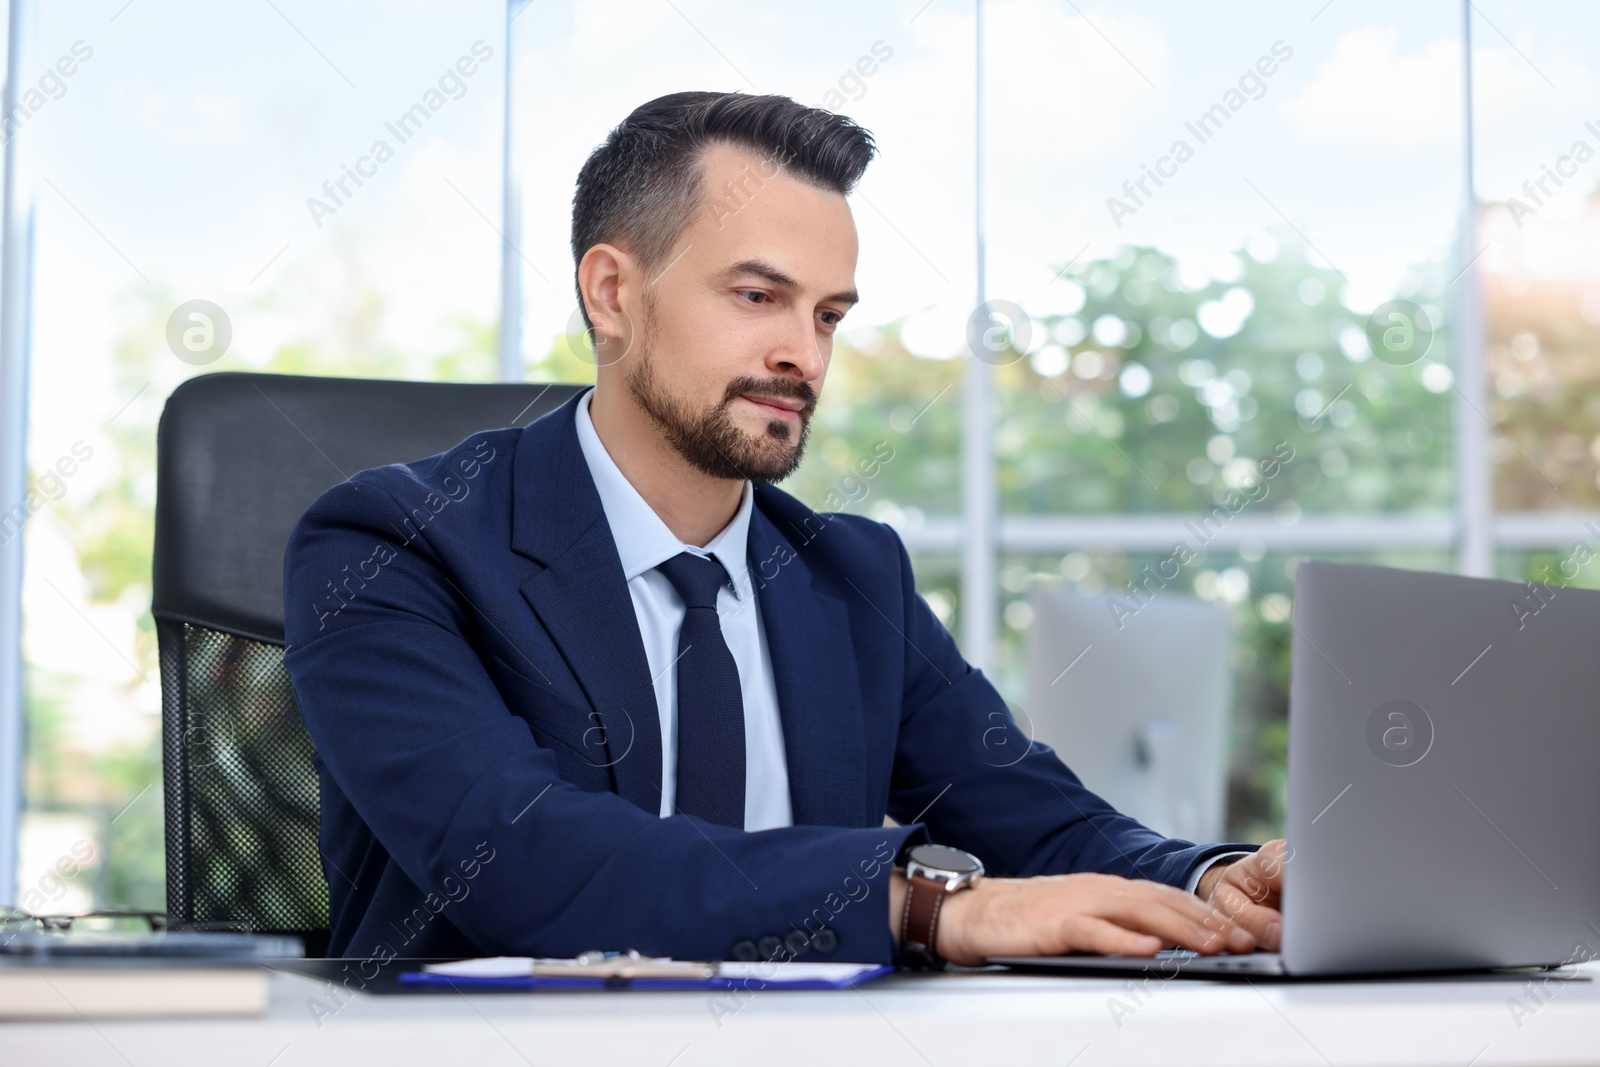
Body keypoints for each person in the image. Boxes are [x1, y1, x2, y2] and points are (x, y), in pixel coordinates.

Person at [283, 90, 1287, 967]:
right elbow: (522, 856)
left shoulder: (852, 577)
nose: (801, 354)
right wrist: (925, 904)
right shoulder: (390, 546)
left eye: (827, 316)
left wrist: (1216, 879)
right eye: (757, 296)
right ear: (612, 291)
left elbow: (1042, 824)